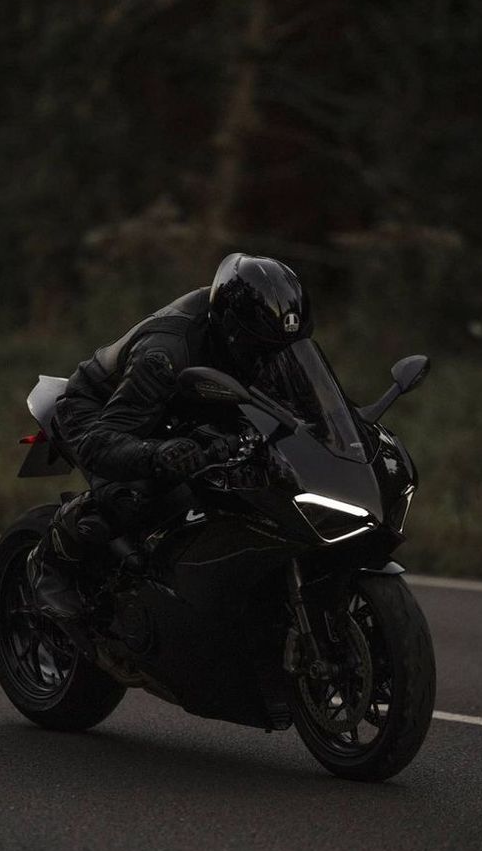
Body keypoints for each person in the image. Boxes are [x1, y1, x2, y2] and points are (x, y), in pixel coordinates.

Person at [26, 253, 313, 652]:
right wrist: (154, 454)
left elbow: (313, 408)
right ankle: (53, 557)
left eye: (279, 348)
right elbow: (102, 440)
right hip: (102, 410)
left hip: (189, 405)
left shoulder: (274, 342)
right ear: (230, 329)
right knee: (132, 495)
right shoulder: (165, 354)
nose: (272, 358)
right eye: (260, 347)